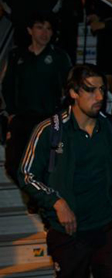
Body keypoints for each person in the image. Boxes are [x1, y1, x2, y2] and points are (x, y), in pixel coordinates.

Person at [18, 64, 112, 278]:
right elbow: (26, 174)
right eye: (90, 90)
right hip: (68, 235)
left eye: (102, 90)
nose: (99, 96)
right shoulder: (50, 130)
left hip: (109, 230)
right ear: (73, 92)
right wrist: (57, 202)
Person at [2, 13, 71, 193]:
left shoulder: (59, 57)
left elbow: (70, 88)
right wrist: (11, 112)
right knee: (12, 165)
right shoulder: (17, 56)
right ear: (29, 30)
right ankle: (36, 194)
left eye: (48, 28)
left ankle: (45, 198)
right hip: (22, 119)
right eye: (40, 27)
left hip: (49, 119)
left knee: (51, 163)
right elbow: (7, 85)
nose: (45, 32)